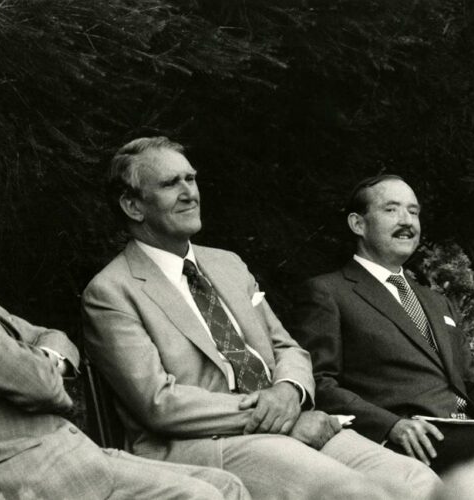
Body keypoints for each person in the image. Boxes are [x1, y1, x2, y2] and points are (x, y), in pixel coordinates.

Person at [82, 138, 440, 499]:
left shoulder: (228, 264)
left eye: (191, 179)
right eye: (170, 183)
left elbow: (288, 347)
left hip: (281, 421)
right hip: (200, 444)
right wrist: (274, 417)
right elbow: (158, 403)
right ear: (132, 205)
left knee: (418, 482)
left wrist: (289, 391)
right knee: (352, 493)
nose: (190, 192)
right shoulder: (112, 291)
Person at [0, 159, 251, 500]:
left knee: (225, 486)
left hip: (56, 462)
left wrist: (45, 358)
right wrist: (46, 366)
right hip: (5, 481)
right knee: (203, 496)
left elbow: (49, 337)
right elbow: (37, 382)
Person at [290, 174, 474, 473]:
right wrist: (390, 426)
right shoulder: (327, 292)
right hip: (412, 443)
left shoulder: (436, 301)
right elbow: (319, 383)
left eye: (413, 212)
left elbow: (472, 380)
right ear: (358, 224)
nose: (407, 221)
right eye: (392, 210)